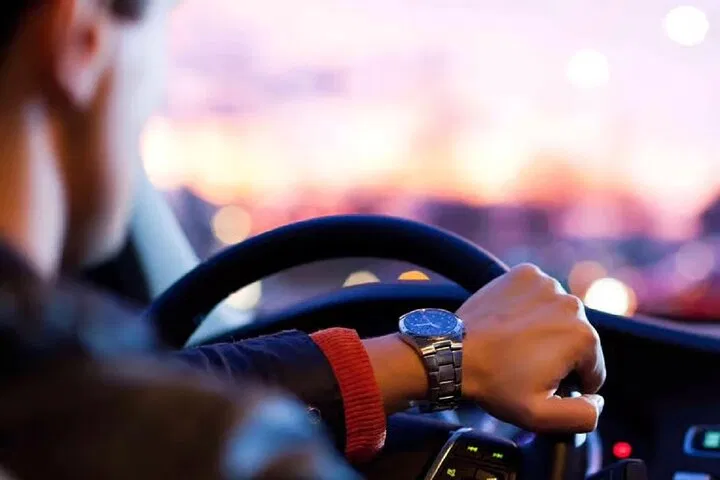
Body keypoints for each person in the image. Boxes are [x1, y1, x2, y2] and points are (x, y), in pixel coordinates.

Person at [0, 0, 606, 478]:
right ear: (82, 41)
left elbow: (120, 395)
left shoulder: (51, 393)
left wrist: (430, 361)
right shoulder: (218, 453)